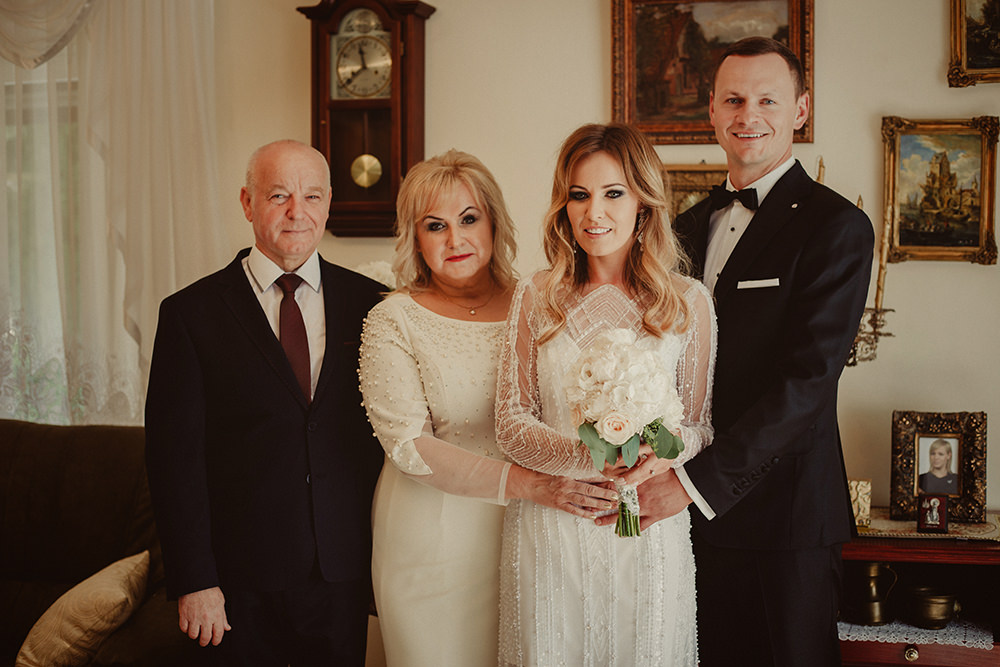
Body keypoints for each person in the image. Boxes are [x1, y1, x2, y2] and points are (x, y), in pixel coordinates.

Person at [624, 37, 875, 666]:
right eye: (734, 100)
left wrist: (692, 485)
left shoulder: (836, 227)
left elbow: (806, 383)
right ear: (711, 109)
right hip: (683, 520)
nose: (748, 115)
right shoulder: (682, 228)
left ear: (800, 110)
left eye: (768, 99)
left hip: (783, 522)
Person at [358, 149, 618, 667]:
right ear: (415, 237)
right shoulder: (393, 319)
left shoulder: (542, 301)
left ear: (495, 223)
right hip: (431, 539)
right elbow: (408, 444)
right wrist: (530, 485)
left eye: (469, 219)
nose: (455, 240)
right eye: (435, 226)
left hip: (536, 530)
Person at [145, 140, 384, 665]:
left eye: (312, 196)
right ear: (247, 203)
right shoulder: (189, 315)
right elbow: (173, 463)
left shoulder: (374, 305)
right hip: (236, 584)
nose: (297, 211)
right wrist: (195, 580)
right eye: (278, 195)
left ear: (328, 203)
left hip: (342, 576)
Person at [494, 123, 716, 666]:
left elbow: (699, 427)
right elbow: (511, 421)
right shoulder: (537, 294)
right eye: (579, 195)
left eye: (613, 193)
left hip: (646, 527)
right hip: (554, 521)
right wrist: (589, 458)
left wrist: (657, 453)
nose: (594, 212)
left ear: (643, 202)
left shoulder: (687, 301)